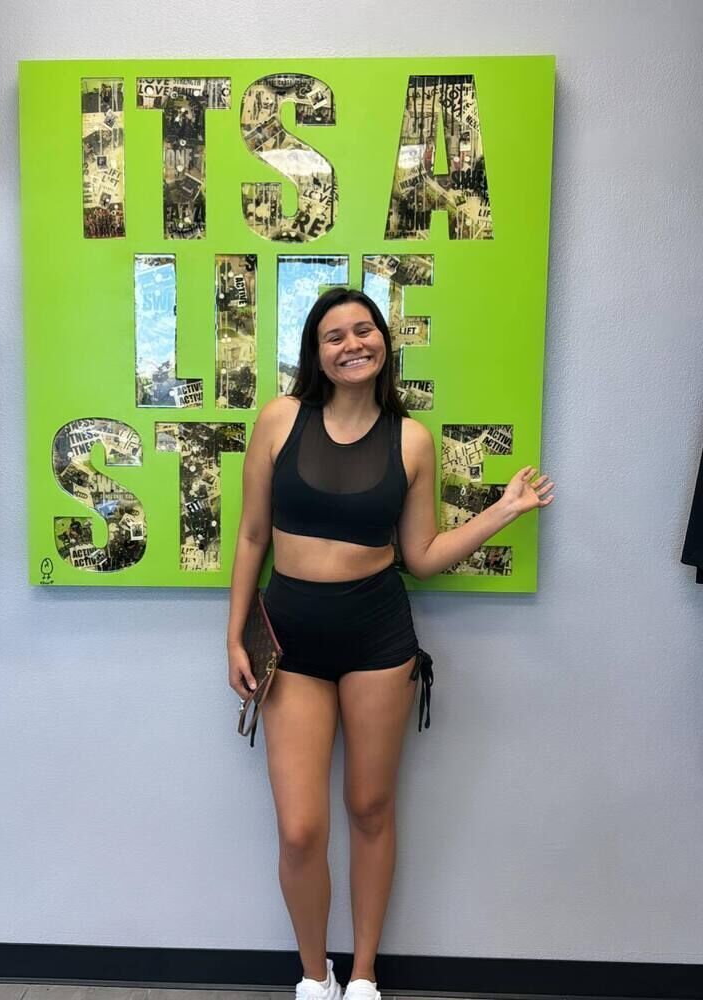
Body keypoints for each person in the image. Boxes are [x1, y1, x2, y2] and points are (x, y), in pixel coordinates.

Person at [226, 287, 555, 1000]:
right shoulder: (280, 419)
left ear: (384, 341)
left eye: (364, 330)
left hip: (377, 637)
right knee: (300, 829)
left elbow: (422, 556)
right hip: (290, 639)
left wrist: (502, 511)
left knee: (371, 809)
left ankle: (364, 974)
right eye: (334, 336)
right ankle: (314, 975)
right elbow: (252, 536)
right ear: (316, 353)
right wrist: (235, 637)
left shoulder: (411, 439)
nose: (352, 344)